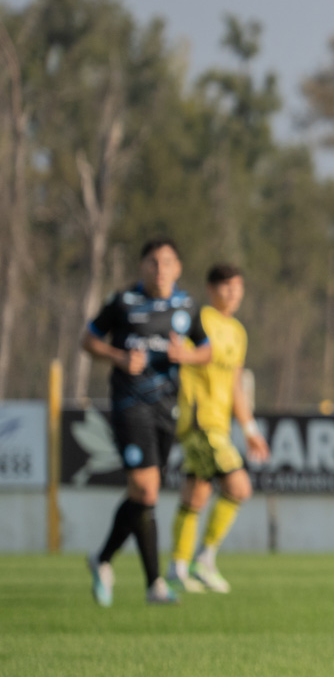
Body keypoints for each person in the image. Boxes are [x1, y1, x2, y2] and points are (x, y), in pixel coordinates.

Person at [83, 238, 211, 606]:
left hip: (166, 408)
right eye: (153, 262)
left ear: (178, 268)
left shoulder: (186, 306)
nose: (160, 269)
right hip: (129, 404)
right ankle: (154, 584)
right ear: (142, 266)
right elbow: (87, 340)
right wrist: (119, 357)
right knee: (148, 489)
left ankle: (103, 559)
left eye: (167, 262)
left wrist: (185, 354)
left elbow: (207, 350)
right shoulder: (123, 303)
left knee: (144, 493)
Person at [169, 263, 271, 594]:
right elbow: (174, 354)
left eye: (238, 287)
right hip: (199, 421)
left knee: (196, 493)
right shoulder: (198, 320)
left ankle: (178, 566)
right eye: (227, 286)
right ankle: (204, 559)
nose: (234, 293)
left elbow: (235, 386)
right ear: (211, 288)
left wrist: (250, 428)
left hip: (219, 425)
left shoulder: (238, 332)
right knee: (239, 487)